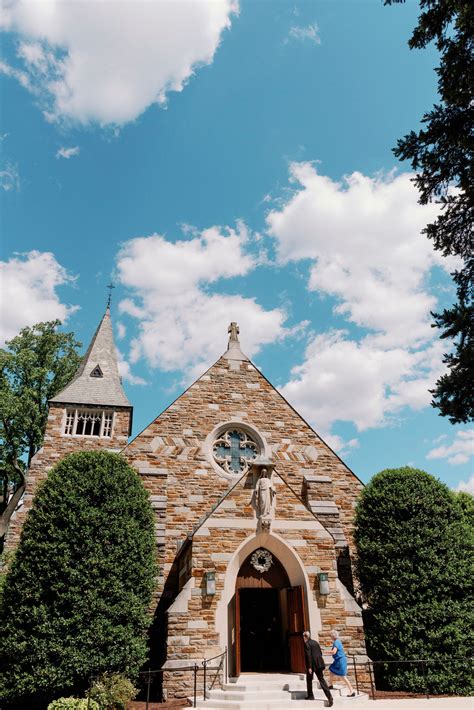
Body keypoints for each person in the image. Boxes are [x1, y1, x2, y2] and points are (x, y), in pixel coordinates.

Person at [303, 631, 333, 706]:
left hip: (313, 665)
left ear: (305, 636)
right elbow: (320, 652)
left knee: (309, 679)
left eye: (303, 636)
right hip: (319, 663)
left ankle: (310, 695)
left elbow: (308, 656)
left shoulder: (307, 644)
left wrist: (309, 667)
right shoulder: (315, 642)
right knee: (321, 680)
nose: (303, 638)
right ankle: (329, 697)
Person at [328, 629, 355, 697]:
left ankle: (352, 691)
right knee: (331, 670)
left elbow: (334, 652)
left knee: (343, 676)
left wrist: (325, 652)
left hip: (340, 661)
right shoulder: (338, 642)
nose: (330, 637)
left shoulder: (336, 642)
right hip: (338, 661)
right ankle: (330, 685)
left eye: (330, 635)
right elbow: (341, 651)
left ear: (333, 636)